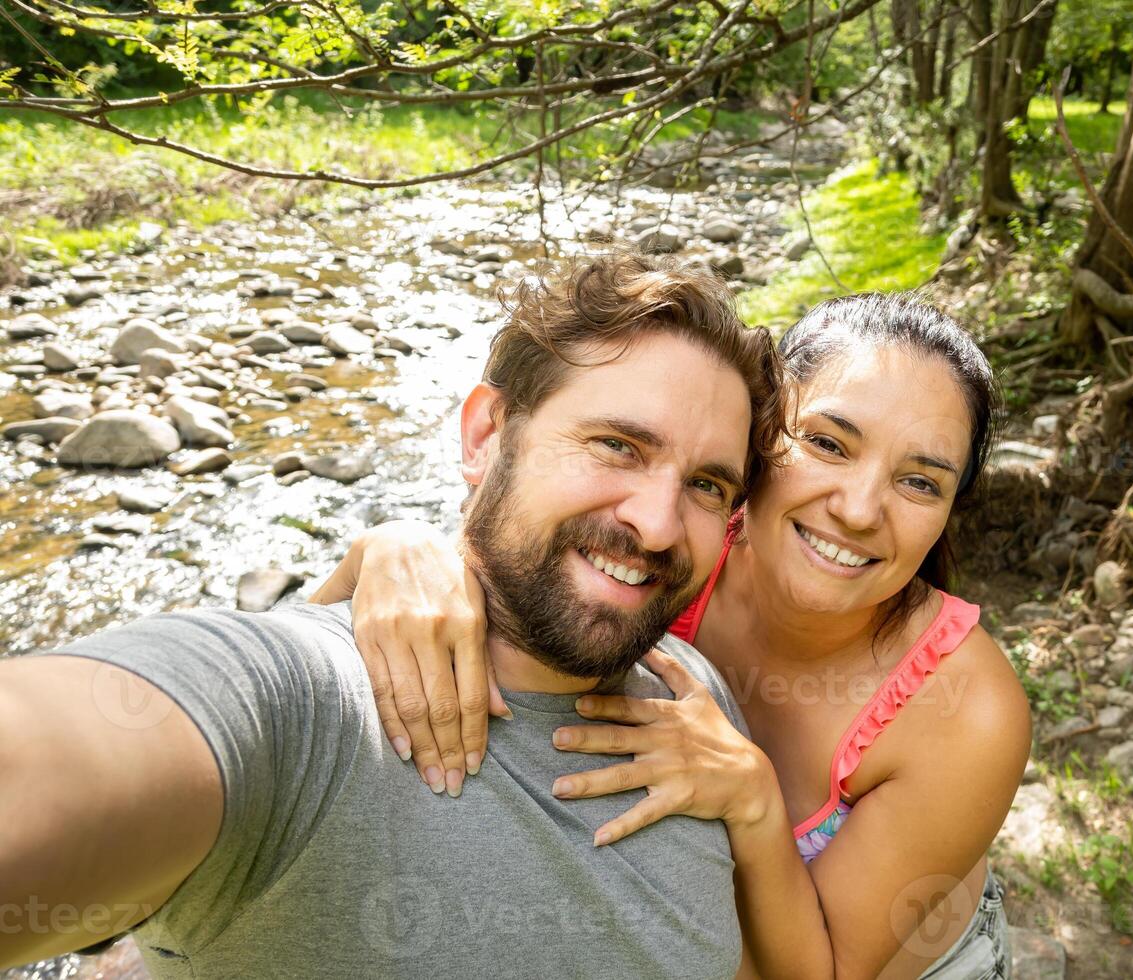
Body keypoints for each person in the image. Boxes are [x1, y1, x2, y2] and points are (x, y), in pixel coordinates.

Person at [0, 253, 789, 979]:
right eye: (618, 445)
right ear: (484, 434)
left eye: (706, 486)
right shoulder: (305, 703)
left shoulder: (696, 701)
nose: (655, 524)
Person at [317, 292, 1033, 978]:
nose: (858, 508)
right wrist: (390, 550)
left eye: (920, 483)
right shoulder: (674, 537)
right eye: (826, 443)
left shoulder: (967, 711)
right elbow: (510, 556)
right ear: (755, 447)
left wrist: (753, 798)